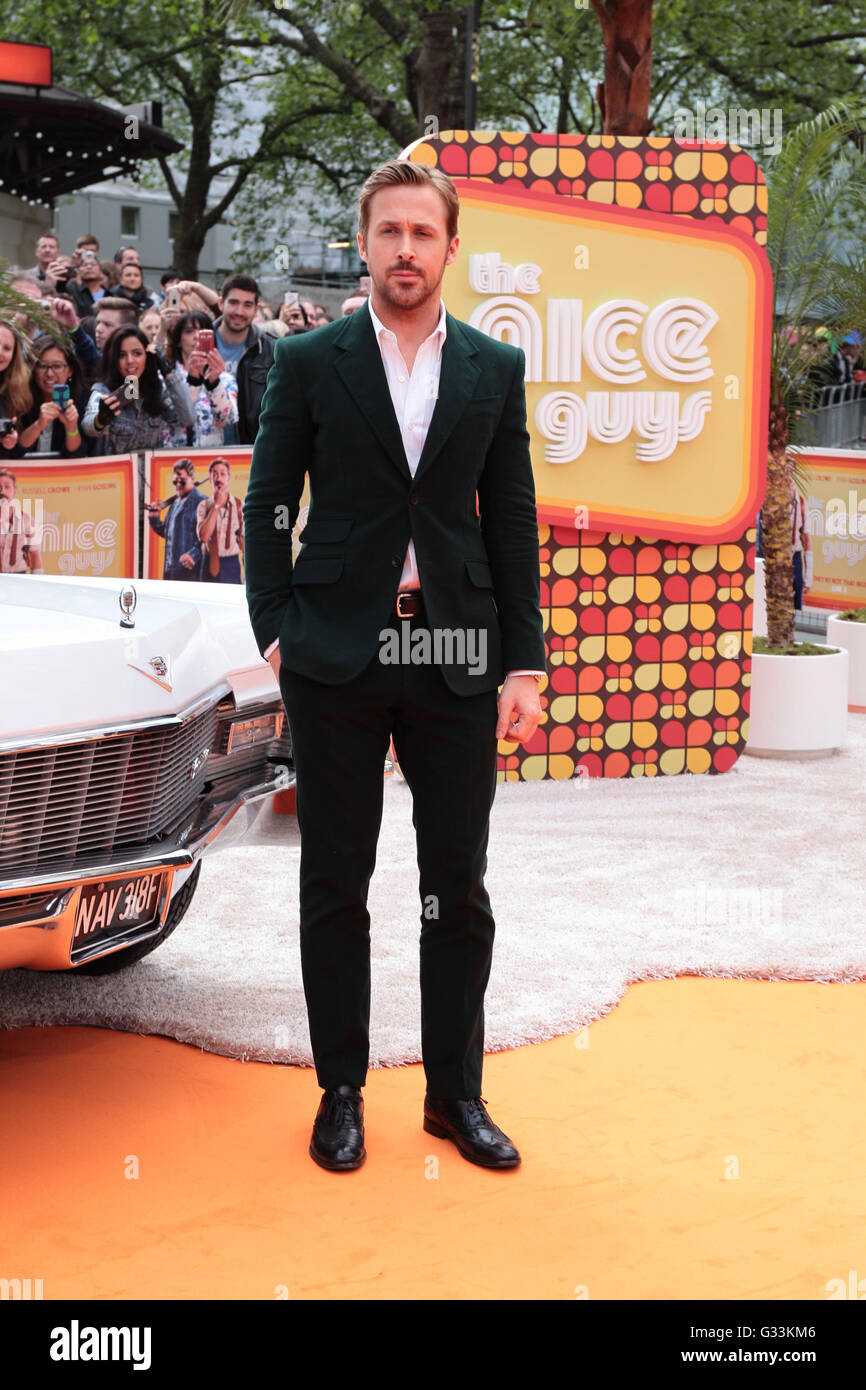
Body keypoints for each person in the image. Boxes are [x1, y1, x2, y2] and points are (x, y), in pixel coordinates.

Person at [243, 158, 545, 1173]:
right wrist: (274, 624)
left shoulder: (492, 369)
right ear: (362, 243)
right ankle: (340, 1091)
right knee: (337, 878)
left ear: (450, 247)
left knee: (454, 884)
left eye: (424, 234)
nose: (405, 251)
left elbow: (509, 525)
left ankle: (454, 1096)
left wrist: (525, 665)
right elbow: (269, 500)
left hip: (455, 652)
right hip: (335, 650)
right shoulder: (311, 359)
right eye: (389, 234)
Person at [81, 325, 195, 454]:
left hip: (152, 472)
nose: (130, 361)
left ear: (147, 356)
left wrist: (168, 373)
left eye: (137, 353)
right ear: (113, 359)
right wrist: (101, 419)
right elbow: (88, 426)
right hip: (117, 472)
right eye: (122, 355)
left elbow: (188, 418)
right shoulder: (103, 389)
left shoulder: (157, 388)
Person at [212, 274, 275, 445]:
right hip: (203, 452)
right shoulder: (199, 344)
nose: (239, 312)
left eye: (247, 305)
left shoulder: (272, 350)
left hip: (251, 451)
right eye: (233, 303)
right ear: (220, 303)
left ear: (256, 309)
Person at [162, 311, 238, 448]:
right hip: (173, 458)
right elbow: (173, 417)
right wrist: (193, 381)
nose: (197, 337)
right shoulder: (166, 377)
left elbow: (228, 419)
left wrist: (214, 383)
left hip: (209, 459)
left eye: (204, 332)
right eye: (189, 331)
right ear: (178, 340)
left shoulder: (225, 378)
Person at [15, 335, 87, 458]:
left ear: (70, 370)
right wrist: (39, 425)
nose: (49, 374)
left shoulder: (82, 400)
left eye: (57, 366)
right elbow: (14, 452)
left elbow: (77, 456)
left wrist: (71, 427)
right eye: (42, 366)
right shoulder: (20, 398)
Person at [146, 456, 205, 580]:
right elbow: (168, 533)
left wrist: (193, 555)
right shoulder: (174, 505)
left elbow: (209, 537)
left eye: (182, 481)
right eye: (175, 481)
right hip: (170, 572)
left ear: (192, 478)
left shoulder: (202, 502)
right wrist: (154, 519)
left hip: (190, 574)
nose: (178, 485)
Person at [196, 457, 243, 582]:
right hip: (207, 564)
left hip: (231, 565)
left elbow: (245, 543)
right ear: (210, 479)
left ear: (229, 477)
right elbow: (204, 537)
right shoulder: (203, 506)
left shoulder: (239, 506)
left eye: (222, 474)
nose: (218, 478)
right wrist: (216, 507)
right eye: (214, 474)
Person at [0, 468, 43, 573]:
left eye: (7, 487)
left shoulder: (27, 520)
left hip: (18, 578)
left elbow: (35, 556)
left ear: (15, 491)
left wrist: (38, 586)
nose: (2, 491)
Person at [0, 319, 33, 455]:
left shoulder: (17, 391)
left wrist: (11, 443)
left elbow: (20, 453)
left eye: (7, 348)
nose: (0, 352)